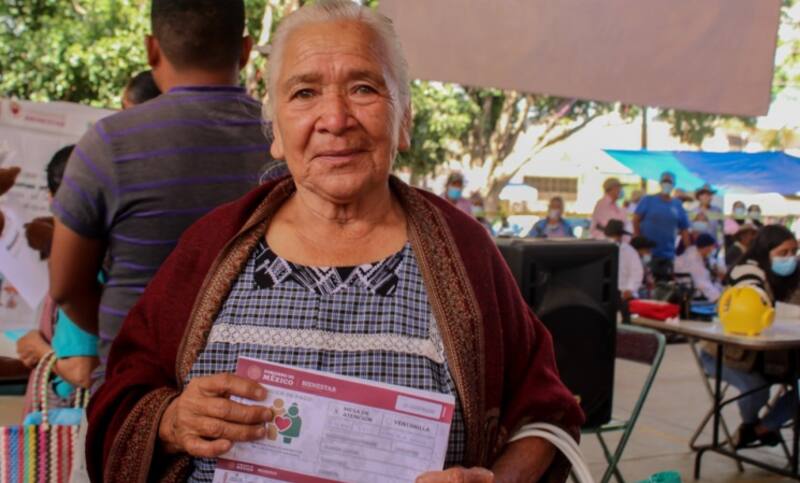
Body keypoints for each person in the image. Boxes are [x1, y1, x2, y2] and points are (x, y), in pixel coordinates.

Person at [86, 2, 583, 482]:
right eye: (304, 93)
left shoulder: (466, 252)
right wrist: (171, 422)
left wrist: (499, 479)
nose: (336, 118)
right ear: (276, 131)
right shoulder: (211, 246)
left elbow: (547, 412)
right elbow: (123, 390)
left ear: (403, 119)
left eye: (364, 88)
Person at [48, 0, 271, 387]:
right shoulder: (285, 140)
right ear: (247, 50)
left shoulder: (108, 144)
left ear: (152, 49)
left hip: (134, 395)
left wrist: (132, 333)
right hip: (252, 399)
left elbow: (66, 287)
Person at [700, 225, 800, 448]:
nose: (790, 258)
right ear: (765, 251)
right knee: (757, 389)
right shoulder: (747, 271)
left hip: (773, 357)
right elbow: (754, 302)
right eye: (783, 253)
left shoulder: (794, 276)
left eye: (794, 252)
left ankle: (759, 429)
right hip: (728, 354)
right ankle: (753, 425)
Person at [15, 145, 100, 400]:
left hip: (70, 416)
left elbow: (83, 371)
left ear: (53, 199)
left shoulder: (85, 267)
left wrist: (37, 348)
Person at [633, 171, 690, 281]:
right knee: (647, 281)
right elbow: (636, 219)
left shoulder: (677, 204)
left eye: (669, 182)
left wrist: (688, 251)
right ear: (660, 183)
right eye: (664, 181)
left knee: (665, 284)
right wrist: (638, 239)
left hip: (668, 253)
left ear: (673, 185)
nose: (666, 184)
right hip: (648, 252)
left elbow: (684, 229)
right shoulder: (648, 200)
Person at [674, 233, 722, 302]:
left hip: (693, 286)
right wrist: (718, 298)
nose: (711, 251)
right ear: (706, 248)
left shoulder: (696, 253)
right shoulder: (693, 259)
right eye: (711, 248)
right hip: (690, 289)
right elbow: (702, 283)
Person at [605, 219, 642, 301]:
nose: (612, 238)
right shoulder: (600, 249)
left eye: (614, 235)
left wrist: (630, 289)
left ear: (620, 236)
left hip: (623, 293)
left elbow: (636, 272)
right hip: (604, 293)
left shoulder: (630, 251)